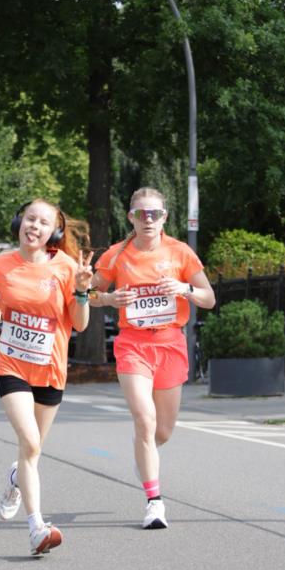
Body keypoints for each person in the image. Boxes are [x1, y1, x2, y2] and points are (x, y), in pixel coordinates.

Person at [0, 199, 93, 557]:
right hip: (12, 367)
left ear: (54, 233)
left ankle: (17, 479)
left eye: (43, 222)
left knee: (32, 452)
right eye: (30, 218)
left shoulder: (66, 267)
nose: (35, 226)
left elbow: (80, 324)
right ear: (19, 222)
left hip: (51, 369)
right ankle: (37, 528)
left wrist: (81, 291)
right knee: (30, 444)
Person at [91, 187, 215, 529]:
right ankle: (154, 503)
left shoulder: (180, 252)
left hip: (170, 343)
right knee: (144, 420)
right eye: (141, 214)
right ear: (130, 217)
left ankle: (145, 456)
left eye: (155, 214)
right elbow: (87, 293)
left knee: (162, 431)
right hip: (132, 344)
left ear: (165, 217)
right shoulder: (116, 255)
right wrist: (109, 298)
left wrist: (185, 290)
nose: (148, 220)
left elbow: (209, 298)